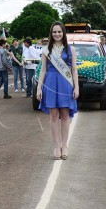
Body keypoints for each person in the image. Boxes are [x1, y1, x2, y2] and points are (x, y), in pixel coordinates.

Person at [36, 22, 79, 160]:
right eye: (54, 32)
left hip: (65, 84)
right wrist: (39, 88)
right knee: (53, 116)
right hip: (50, 83)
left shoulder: (70, 49)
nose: (57, 34)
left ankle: (64, 145)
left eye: (59, 31)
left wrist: (76, 87)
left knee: (65, 115)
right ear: (51, 33)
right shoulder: (46, 50)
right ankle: (56, 146)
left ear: (63, 33)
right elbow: (43, 70)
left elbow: (74, 70)